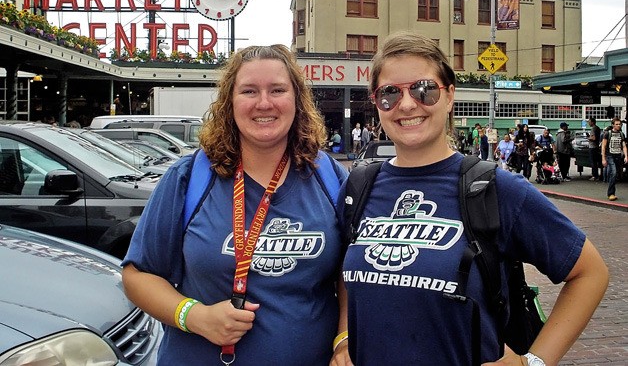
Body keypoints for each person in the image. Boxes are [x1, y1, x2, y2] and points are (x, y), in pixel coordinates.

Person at [331, 31, 608, 366]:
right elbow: (347, 272)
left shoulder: (496, 187)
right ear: (376, 103)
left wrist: (534, 361)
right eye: (390, 93)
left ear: (449, 95)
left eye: (424, 90)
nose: (406, 104)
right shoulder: (359, 187)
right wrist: (344, 339)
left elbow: (590, 272)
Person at [121, 45, 348, 365]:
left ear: (297, 100)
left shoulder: (328, 176)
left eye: (278, 90)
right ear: (230, 102)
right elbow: (137, 275)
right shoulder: (190, 177)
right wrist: (194, 315)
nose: (264, 103)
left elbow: (350, 272)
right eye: (249, 91)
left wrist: (343, 340)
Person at [601, 117, 628, 201]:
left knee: (615, 174)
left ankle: (612, 191)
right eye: (616, 124)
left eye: (619, 124)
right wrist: (603, 158)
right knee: (614, 172)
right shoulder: (607, 134)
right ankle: (611, 193)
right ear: (613, 125)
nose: (618, 126)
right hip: (610, 155)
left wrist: (626, 156)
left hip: (618, 155)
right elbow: (603, 146)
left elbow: (623, 146)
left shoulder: (621, 134)